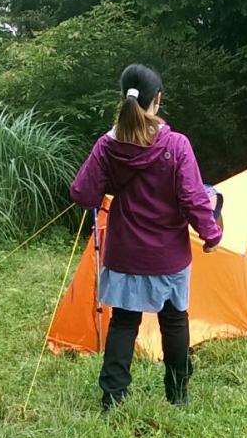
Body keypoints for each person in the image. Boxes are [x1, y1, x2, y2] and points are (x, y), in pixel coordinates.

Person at [70, 63, 222, 410]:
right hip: (169, 255)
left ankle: (113, 399)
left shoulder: (107, 146)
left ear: (123, 98)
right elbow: (193, 198)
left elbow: (82, 193)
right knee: (174, 322)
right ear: (158, 99)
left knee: (124, 323)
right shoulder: (176, 144)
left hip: (125, 253)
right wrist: (211, 234)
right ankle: (178, 396)